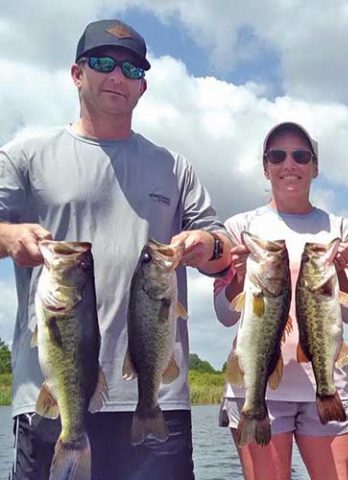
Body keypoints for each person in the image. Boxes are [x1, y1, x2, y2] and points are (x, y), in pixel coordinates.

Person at [0, 19, 233, 480]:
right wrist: (8, 237)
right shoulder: (25, 155)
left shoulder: (173, 166)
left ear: (143, 87)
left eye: (131, 69)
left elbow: (222, 248)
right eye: (103, 63)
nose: (117, 76)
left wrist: (206, 242)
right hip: (51, 394)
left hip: (156, 400)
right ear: (76, 74)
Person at [213, 121, 348, 480]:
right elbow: (224, 314)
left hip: (324, 386)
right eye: (277, 156)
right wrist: (234, 277)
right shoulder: (241, 226)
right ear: (265, 167)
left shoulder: (339, 228)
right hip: (255, 386)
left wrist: (341, 272)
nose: (289, 164)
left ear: (314, 166)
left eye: (300, 155)